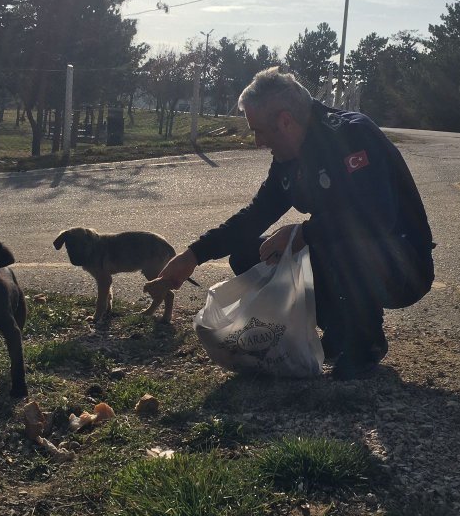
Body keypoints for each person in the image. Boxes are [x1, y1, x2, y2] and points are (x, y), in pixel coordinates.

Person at [157, 67, 435, 378]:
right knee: (249, 255)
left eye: (259, 130)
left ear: (285, 121)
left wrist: (304, 232)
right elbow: (254, 215)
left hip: (402, 265)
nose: (257, 142)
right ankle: (337, 332)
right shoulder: (288, 157)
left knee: (338, 244)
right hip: (347, 250)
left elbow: (377, 216)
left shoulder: (351, 135)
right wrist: (192, 256)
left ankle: (364, 342)